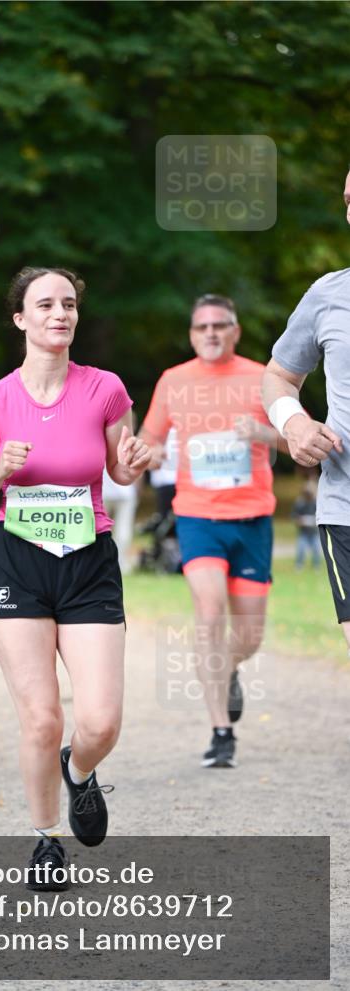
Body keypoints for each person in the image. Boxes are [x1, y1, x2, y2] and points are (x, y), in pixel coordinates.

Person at [0, 267, 150, 887]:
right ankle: (45, 840)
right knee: (41, 717)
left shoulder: (104, 389)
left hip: (88, 560)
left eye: (68, 304)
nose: (59, 314)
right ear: (21, 319)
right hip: (19, 561)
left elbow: (122, 473)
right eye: (45, 305)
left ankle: (80, 769)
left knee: (99, 722)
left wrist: (135, 460)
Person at [140, 294, 288, 768]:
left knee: (248, 637)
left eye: (220, 325)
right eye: (201, 327)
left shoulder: (264, 377)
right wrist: (152, 454)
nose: (210, 333)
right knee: (208, 613)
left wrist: (266, 434)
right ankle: (220, 731)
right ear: (191, 334)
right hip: (197, 516)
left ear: (235, 331)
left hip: (251, 519)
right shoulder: (174, 381)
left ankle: (230, 671)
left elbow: (298, 436)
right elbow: (149, 439)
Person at [263, 169, 350, 649]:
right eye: (348, 198)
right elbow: (277, 375)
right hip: (346, 507)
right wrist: (293, 422)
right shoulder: (328, 295)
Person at [101, 469, 139, 574]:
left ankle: (102, 561)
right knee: (123, 529)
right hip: (125, 490)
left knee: (100, 529)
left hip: (104, 490)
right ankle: (120, 563)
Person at [292, 478, 322, 570]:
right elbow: (294, 517)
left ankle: (317, 566)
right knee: (301, 549)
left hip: (314, 531)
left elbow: (320, 516)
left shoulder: (317, 503)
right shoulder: (299, 503)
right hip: (303, 532)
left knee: (317, 549)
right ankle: (299, 565)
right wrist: (300, 521)